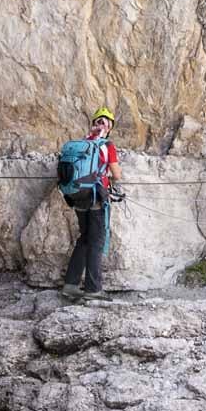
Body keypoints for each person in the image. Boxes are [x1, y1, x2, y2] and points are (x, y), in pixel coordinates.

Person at [61, 107, 123, 301]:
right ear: (109, 127)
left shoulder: (82, 144)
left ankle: (70, 285)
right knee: (96, 241)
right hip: (96, 197)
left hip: (78, 196)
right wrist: (108, 177)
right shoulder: (107, 145)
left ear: (94, 124)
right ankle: (93, 289)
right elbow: (117, 174)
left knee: (84, 239)